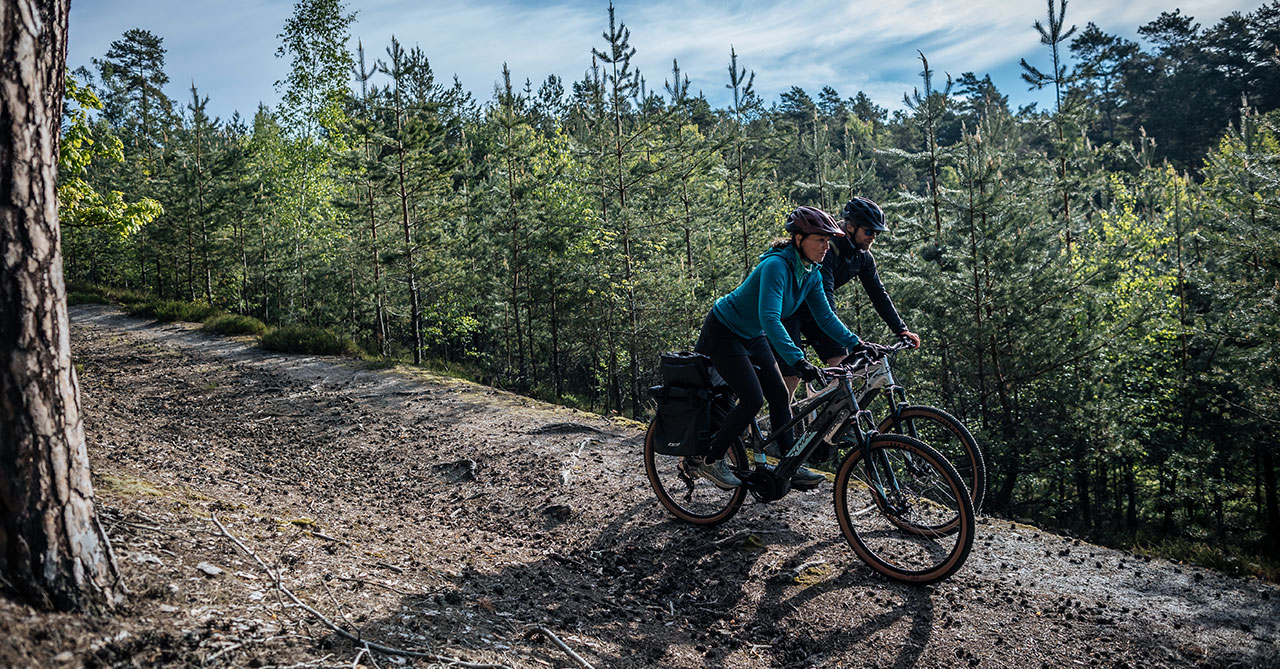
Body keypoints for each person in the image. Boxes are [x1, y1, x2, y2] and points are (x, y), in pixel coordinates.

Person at [687, 206, 865, 489]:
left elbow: (825, 318)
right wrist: (798, 360)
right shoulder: (776, 266)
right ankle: (710, 460)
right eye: (820, 240)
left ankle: (790, 462)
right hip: (724, 331)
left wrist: (856, 343)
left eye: (828, 240)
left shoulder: (811, 273)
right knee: (753, 399)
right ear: (799, 239)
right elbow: (770, 318)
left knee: (781, 395)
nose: (826, 247)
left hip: (752, 333)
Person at [774, 196, 921, 397]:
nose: (873, 237)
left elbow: (878, 294)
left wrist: (901, 330)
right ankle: (782, 424)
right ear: (851, 227)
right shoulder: (828, 249)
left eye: (877, 232)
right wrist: (848, 337)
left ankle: (837, 422)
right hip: (790, 312)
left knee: (844, 369)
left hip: (817, 314)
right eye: (869, 231)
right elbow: (824, 298)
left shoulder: (863, 257)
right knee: (791, 376)